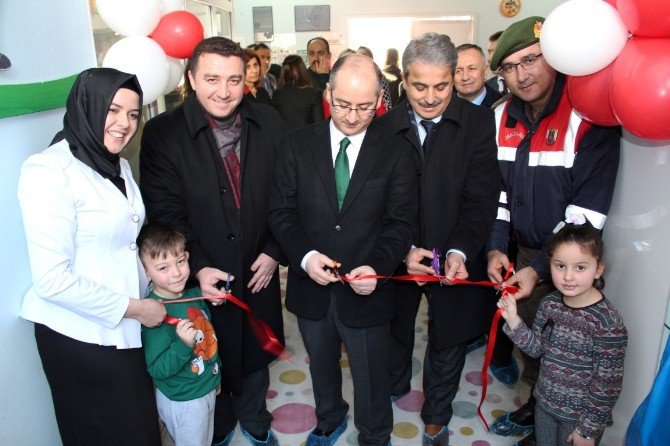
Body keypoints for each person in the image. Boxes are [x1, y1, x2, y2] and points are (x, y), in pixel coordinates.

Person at [140, 37, 286, 446]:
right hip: (198, 271)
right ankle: (218, 431)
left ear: (247, 80)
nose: (223, 91)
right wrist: (198, 265)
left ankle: (256, 423)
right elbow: (166, 211)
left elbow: (287, 194)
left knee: (257, 350)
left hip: (260, 264)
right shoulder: (162, 133)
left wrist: (275, 250)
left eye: (234, 79)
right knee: (205, 348)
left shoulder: (269, 122)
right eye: (211, 78)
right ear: (190, 78)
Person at [268, 54, 418, 446]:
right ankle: (330, 418)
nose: (352, 116)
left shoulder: (396, 150)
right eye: (344, 104)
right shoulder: (297, 144)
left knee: (370, 374)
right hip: (311, 286)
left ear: (380, 99)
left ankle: (374, 434)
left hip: (367, 288)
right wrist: (303, 257)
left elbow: (401, 222)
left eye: (365, 107)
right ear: (328, 94)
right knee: (321, 365)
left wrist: (379, 267)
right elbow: (281, 212)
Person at [486, 16, 621, 446]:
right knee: (531, 336)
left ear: (556, 58)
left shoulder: (588, 111)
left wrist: (544, 268)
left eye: (531, 59)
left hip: (570, 261)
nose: (522, 75)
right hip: (524, 253)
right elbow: (499, 194)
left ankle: (564, 423)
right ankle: (538, 409)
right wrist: (494, 248)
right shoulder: (500, 115)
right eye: (509, 67)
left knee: (570, 352)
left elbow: (586, 214)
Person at [17, 67, 166, 445]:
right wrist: (137, 308)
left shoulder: (117, 163)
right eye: (113, 110)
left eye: (133, 114)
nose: (124, 124)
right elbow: (51, 281)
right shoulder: (49, 171)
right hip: (78, 337)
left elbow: (124, 244)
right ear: (87, 106)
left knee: (140, 431)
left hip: (125, 324)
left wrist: (171, 279)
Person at [375, 33, 500, 446]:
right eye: (419, 86)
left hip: (454, 253)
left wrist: (461, 250)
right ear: (403, 82)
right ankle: (394, 384)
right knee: (394, 328)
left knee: (448, 337)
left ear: (454, 80)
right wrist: (402, 249)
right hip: (399, 251)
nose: (429, 98)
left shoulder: (479, 123)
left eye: (441, 86)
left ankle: (436, 417)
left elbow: (481, 199)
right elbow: (374, 201)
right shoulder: (383, 128)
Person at [497, 218, 627, 446]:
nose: (568, 276)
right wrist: (514, 320)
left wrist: (587, 430)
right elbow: (537, 349)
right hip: (545, 405)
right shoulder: (549, 304)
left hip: (578, 419)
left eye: (580, 267)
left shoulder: (607, 322)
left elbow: (608, 384)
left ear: (599, 269)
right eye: (560, 266)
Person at [139, 224, 222, 446]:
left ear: (187, 257)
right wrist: (183, 344)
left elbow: (210, 338)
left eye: (180, 262)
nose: (176, 273)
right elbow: (156, 369)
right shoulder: (154, 313)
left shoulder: (194, 295)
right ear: (146, 272)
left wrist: (215, 374)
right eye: (163, 268)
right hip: (184, 400)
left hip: (204, 386)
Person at [271, 54, 324, 131]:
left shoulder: (277, 94)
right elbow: (319, 125)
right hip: (308, 140)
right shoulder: (314, 93)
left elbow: (274, 122)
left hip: (284, 140)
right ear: (303, 71)